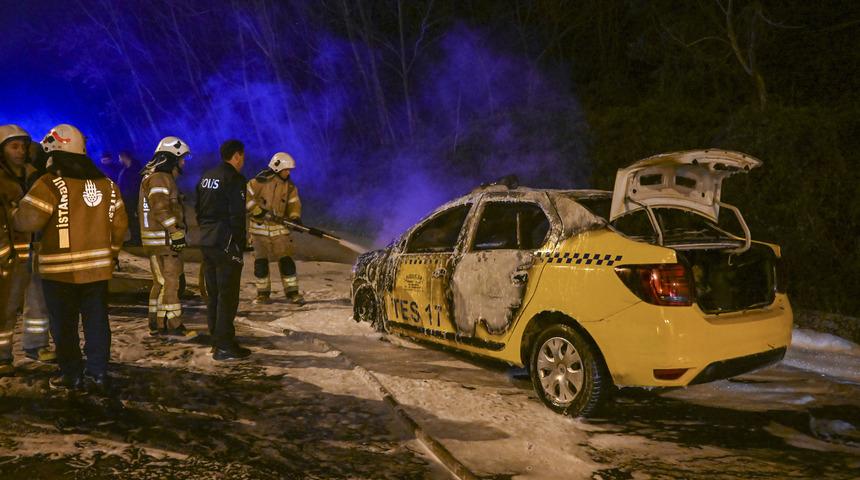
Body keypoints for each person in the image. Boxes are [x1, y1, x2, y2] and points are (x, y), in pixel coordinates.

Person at [13, 124, 128, 390]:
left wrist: (14, 209)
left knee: (64, 326)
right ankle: (97, 373)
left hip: (59, 271)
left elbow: (26, 220)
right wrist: (109, 255)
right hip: (97, 272)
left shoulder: (50, 183)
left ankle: (71, 374)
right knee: (97, 322)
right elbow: (120, 226)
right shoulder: (108, 186)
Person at [0, 125, 55, 376]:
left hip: (35, 248)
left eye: (23, 146)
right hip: (7, 255)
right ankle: (2, 355)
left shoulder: (35, 175)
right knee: (5, 307)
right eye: (14, 146)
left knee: (38, 302)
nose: (20, 151)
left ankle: (36, 345)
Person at [195, 140, 250, 361]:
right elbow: (237, 215)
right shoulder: (235, 179)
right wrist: (239, 243)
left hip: (207, 240)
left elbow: (198, 208)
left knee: (214, 293)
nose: (243, 161)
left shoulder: (206, 176)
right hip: (226, 241)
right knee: (228, 296)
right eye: (242, 157)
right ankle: (225, 345)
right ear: (237, 156)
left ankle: (217, 338)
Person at [139, 137, 196, 340]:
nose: (183, 163)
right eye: (181, 159)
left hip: (156, 240)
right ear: (171, 158)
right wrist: (175, 231)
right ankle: (174, 324)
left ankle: (157, 323)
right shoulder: (161, 178)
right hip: (163, 241)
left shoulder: (153, 177)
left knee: (161, 283)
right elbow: (160, 208)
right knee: (170, 283)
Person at [246, 152, 304, 305]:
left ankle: (293, 293)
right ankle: (263, 294)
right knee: (261, 264)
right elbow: (246, 198)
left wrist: (294, 217)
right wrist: (257, 211)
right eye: (286, 169)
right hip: (259, 230)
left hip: (280, 229)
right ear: (277, 168)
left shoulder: (290, 186)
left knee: (286, 261)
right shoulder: (258, 182)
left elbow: (294, 203)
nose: (288, 173)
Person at [117, 151, 141, 246]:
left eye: (120, 158)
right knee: (130, 218)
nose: (119, 160)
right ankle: (134, 238)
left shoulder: (134, 169)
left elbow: (134, 184)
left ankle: (136, 239)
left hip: (132, 197)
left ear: (124, 157)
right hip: (128, 197)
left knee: (133, 218)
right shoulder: (127, 168)